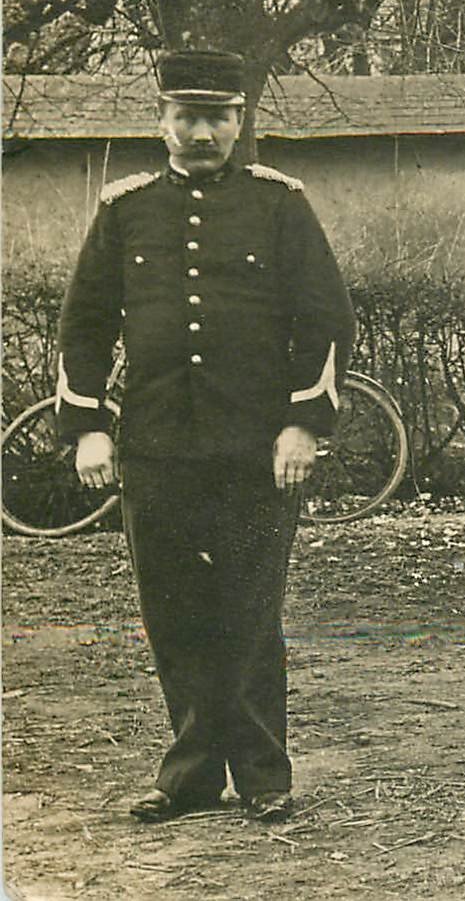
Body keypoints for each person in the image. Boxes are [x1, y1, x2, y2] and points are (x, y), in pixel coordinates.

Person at [56, 50, 356, 824]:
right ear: (161, 121)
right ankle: (189, 771)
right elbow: (84, 323)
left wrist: (302, 423)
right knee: (173, 609)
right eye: (185, 116)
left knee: (250, 609)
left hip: (256, 448)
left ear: (239, 121)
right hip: (156, 445)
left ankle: (262, 771)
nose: (201, 131)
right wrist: (88, 426)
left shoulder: (280, 204)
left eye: (217, 116)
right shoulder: (125, 209)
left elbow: (323, 319)